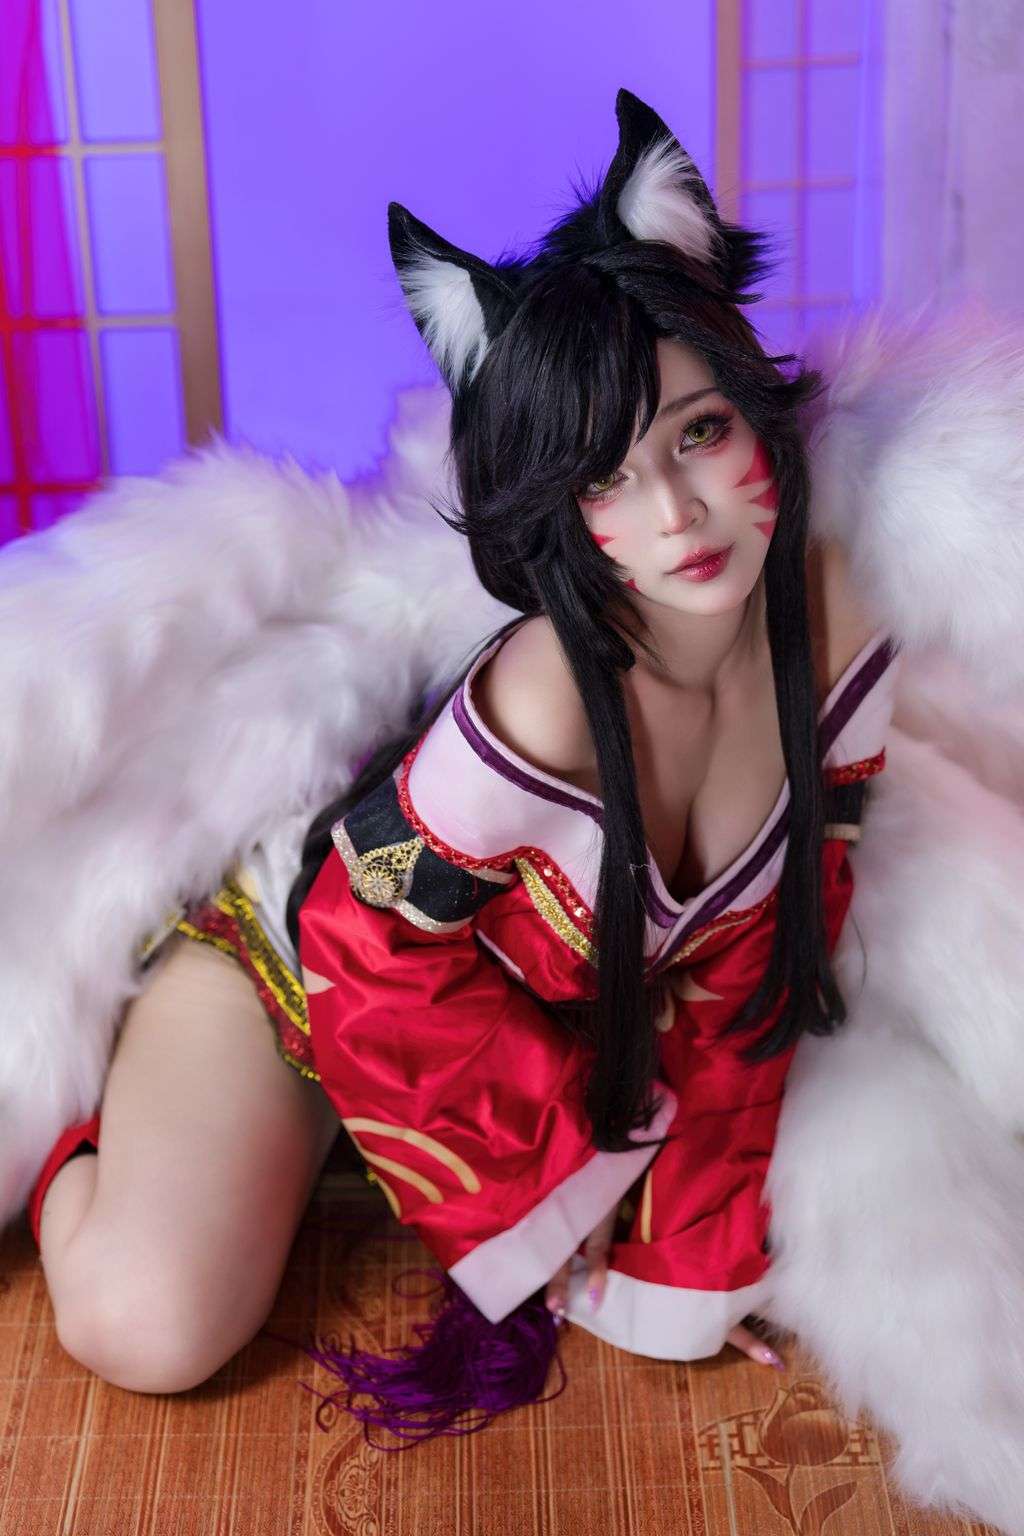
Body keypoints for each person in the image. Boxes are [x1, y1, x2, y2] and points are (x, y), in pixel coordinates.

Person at [24, 87, 897, 1431]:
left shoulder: (835, 625)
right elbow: (366, 951)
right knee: (151, 1324)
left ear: (754, 404)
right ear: (550, 502)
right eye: (603, 479)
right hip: (304, 973)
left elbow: (752, 978)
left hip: (524, 1027)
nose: (677, 516)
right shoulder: (550, 693)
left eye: (699, 433)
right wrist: (542, 1194)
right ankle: (85, 1125)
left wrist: (685, 1263)